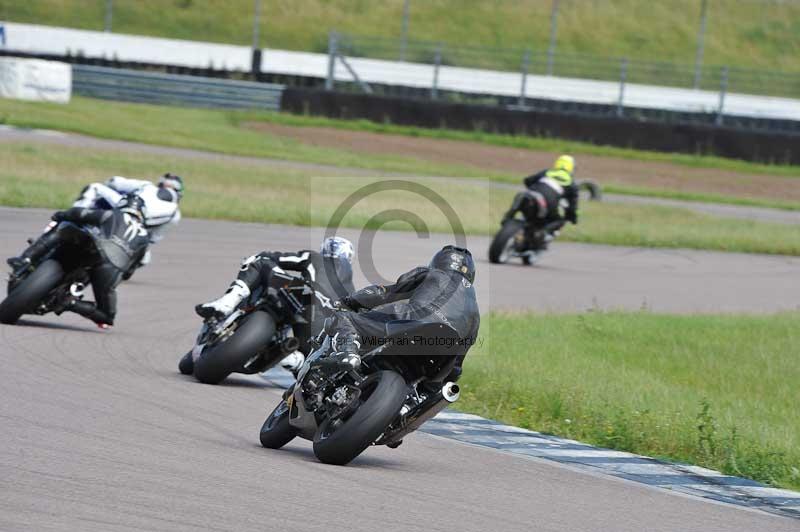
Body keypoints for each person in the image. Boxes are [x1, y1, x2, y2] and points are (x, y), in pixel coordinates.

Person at [194, 236, 356, 373]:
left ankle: (228, 301)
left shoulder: (315, 258)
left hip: (305, 299)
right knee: (314, 358)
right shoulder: (351, 291)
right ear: (349, 258)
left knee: (260, 261)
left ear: (325, 250)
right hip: (319, 334)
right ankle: (295, 360)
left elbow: (272, 257)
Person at [328, 245, 480, 382]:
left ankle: (348, 351)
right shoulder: (475, 312)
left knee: (345, 318)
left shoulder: (432, 272)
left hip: (411, 320)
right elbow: (456, 368)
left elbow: (384, 293)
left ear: (439, 261)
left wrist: (350, 301)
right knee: (435, 385)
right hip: (443, 350)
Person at [7, 194, 149, 329]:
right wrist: (114, 278)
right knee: (107, 317)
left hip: (96, 247)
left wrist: (60, 215)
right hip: (111, 267)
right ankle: (70, 302)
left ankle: (25, 258)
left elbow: (80, 213)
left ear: (122, 204)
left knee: (66, 223)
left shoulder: (113, 214)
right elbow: (130, 269)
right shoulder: (145, 238)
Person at [73, 173, 184, 267]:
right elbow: (154, 238)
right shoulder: (175, 214)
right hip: (136, 232)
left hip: (124, 209)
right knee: (145, 257)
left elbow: (115, 181)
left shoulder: (147, 186)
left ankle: (75, 216)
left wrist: (110, 184)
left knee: (95, 187)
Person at [502, 155, 579, 233]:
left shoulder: (547, 172)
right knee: (560, 221)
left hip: (530, 195)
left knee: (521, 198)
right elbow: (573, 207)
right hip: (549, 204)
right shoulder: (572, 184)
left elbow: (528, 180)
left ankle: (508, 216)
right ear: (571, 168)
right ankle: (541, 233)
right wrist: (573, 218)